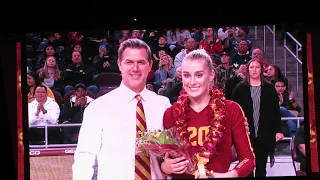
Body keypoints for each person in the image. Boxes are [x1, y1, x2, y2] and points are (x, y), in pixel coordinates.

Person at [72, 39, 171, 180]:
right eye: (129, 62)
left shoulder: (163, 104)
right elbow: (85, 157)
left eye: (141, 62)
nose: (135, 68)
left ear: (149, 66)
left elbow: (170, 154)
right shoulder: (98, 107)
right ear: (119, 65)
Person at [161, 49, 255, 179]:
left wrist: (228, 175)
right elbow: (165, 159)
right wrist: (165, 168)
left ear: (211, 75)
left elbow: (248, 159)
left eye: (199, 75)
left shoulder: (231, 109)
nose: (192, 82)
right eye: (186, 75)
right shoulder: (171, 113)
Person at [232, 59, 284, 177]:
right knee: (246, 167)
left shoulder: (269, 88)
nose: (254, 70)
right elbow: (233, 111)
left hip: (265, 134)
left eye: (257, 67)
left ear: (261, 70)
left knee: (261, 167)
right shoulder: (240, 88)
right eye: (251, 67)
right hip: (245, 134)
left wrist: (278, 130)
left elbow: (275, 111)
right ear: (248, 70)